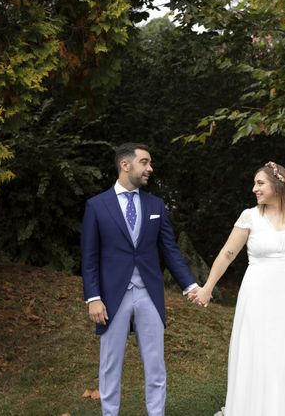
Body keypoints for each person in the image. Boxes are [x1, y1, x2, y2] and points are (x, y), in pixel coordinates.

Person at [81, 142, 201, 416]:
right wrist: (93, 297)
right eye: (145, 162)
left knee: (156, 364)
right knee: (110, 364)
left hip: (149, 293)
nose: (150, 168)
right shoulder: (97, 206)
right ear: (126, 165)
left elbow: (169, 250)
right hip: (112, 297)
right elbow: (89, 257)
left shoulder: (155, 205)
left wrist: (191, 286)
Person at [196, 161, 285, 415]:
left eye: (260, 183)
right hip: (257, 294)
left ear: (278, 184)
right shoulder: (250, 216)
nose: (254, 189)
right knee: (258, 351)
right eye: (255, 183)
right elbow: (226, 255)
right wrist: (207, 287)